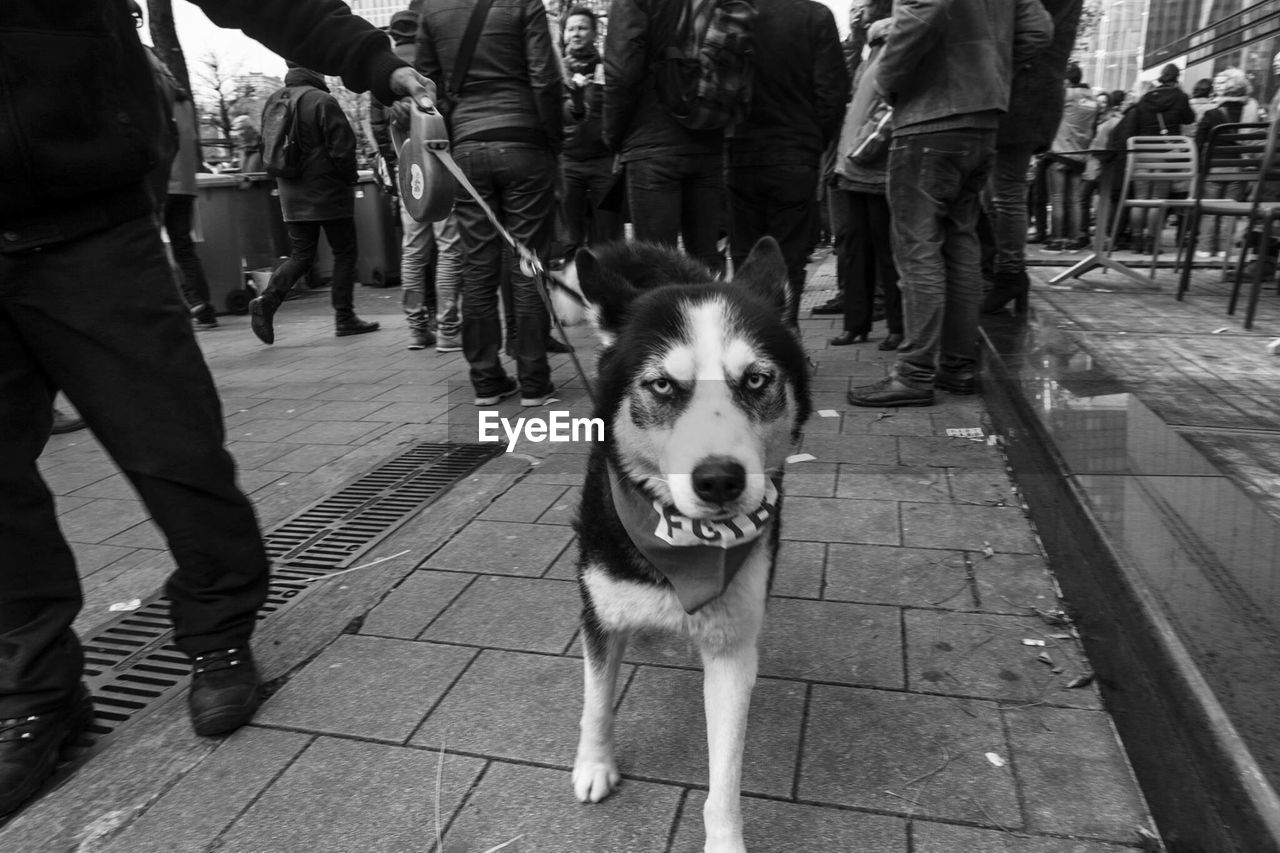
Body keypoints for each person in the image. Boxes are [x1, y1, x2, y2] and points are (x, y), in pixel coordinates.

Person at [0, 0, 435, 819]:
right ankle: (33, 691)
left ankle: (218, 629)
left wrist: (374, 57)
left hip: (92, 216)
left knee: (174, 445)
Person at [848, 0, 1052, 408]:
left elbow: (923, 9)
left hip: (929, 117)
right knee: (960, 243)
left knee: (918, 248)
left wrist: (888, 79)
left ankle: (915, 372)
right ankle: (957, 366)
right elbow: (1039, 29)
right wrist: (991, 68)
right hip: (982, 117)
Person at [415, 0, 563, 407]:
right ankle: (534, 380)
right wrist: (553, 139)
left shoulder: (432, 10)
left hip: (465, 148)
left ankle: (486, 380)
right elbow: (545, 76)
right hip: (523, 140)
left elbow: (426, 88)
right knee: (528, 261)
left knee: (477, 265)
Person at [726, 0, 849, 326]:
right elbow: (833, 92)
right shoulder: (815, 16)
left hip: (741, 151)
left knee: (745, 254)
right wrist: (813, 140)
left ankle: (749, 336)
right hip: (796, 151)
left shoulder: (736, 14)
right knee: (790, 254)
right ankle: (785, 333)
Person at [249, 66, 381, 344]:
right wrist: (350, 178)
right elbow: (342, 148)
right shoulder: (322, 100)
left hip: (290, 194)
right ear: (313, 71)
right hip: (328, 193)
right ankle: (345, 318)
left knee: (301, 255)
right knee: (344, 253)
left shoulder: (274, 100)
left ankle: (268, 300)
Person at [603, 0, 728, 273]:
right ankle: (709, 314)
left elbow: (621, 71)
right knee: (705, 261)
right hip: (708, 136)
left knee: (655, 264)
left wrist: (612, 135)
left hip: (651, 142)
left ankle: (663, 317)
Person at [981, 0, 1084, 315]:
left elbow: (1036, 32)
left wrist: (1000, 63)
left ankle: (1008, 272)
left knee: (1003, 194)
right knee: (998, 193)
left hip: (1021, 96)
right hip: (1030, 95)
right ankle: (1005, 271)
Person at [828, 4, 902, 351]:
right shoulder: (869, 50)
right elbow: (850, 96)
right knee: (854, 248)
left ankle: (897, 327)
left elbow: (891, 107)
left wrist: (864, 148)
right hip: (852, 165)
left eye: (866, 8)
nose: (860, 12)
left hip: (877, 165)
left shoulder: (896, 43)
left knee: (886, 250)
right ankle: (856, 325)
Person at [146, 38, 220, 329]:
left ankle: (185, 303)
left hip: (159, 180)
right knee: (183, 247)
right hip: (185, 184)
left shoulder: (146, 86)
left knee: (148, 247)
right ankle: (204, 307)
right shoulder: (179, 93)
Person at [558, 8, 623, 257]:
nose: (576, 34)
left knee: (608, 240)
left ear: (595, 33)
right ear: (564, 34)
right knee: (567, 238)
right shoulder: (556, 70)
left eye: (582, 28)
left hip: (604, 162)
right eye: (571, 28)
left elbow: (617, 108)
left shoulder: (607, 69)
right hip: (567, 163)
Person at [1044, 62, 1097, 252]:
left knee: (1057, 199)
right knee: (1074, 200)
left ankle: (1057, 241)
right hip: (1079, 155)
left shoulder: (1066, 95)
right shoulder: (1093, 100)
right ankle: (1074, 240)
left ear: (1066, 79)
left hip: (1060, 151)